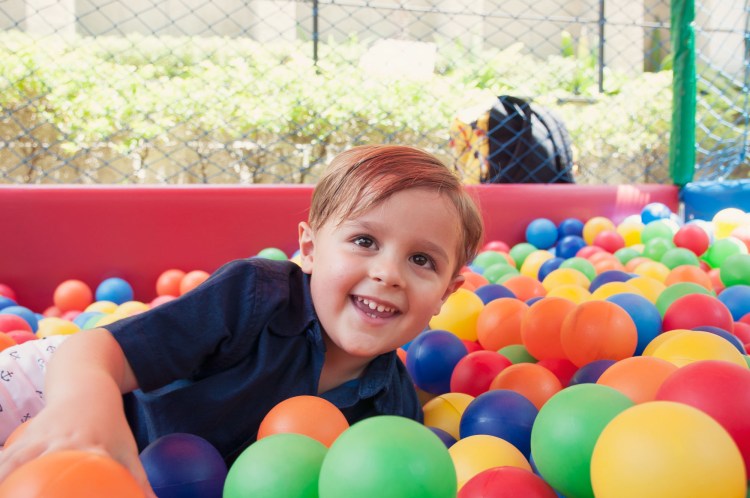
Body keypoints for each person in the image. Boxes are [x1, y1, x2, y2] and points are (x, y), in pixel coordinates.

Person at [0, 144, 484, 495]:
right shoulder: (256, 296)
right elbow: (93, 351)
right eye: (364, 241)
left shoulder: (391, 413)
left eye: (422, 260)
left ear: (446, 293)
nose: (388, 274)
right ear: (310, 249)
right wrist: (82, 409)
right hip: (57, 384)